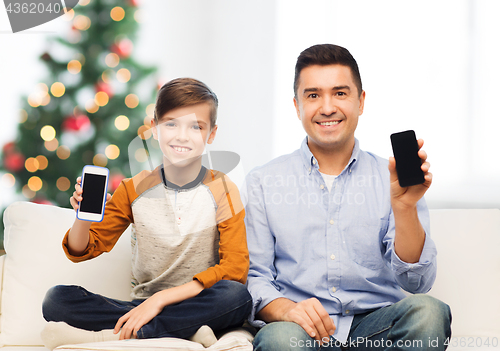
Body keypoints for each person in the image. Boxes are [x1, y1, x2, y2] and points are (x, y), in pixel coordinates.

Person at [243, 44, 451, 351]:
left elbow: (417, 283)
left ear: (360, 101)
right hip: (302, 330)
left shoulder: (391, 177)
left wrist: (404, 207)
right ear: (297, 105)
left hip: (376, 326)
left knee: (430, 313)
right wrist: (287, 310)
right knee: (279, 339)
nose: (327, 107)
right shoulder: (263, 181)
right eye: (313, 95)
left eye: (340, 93)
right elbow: (255, 277)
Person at [41, 78, 252, 349]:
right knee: (56, 299)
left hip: (197, 301)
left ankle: (117, 333)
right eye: (171, 124)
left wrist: (160, 300)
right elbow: (82, 250)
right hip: (142, 304)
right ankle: (184, 330)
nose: (182, 135)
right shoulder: (133, 189)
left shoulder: (224, 189)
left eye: (196, 127)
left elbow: (235, 270)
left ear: (211, 134)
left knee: (237, 297)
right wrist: (83, 217)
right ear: (154, 128)